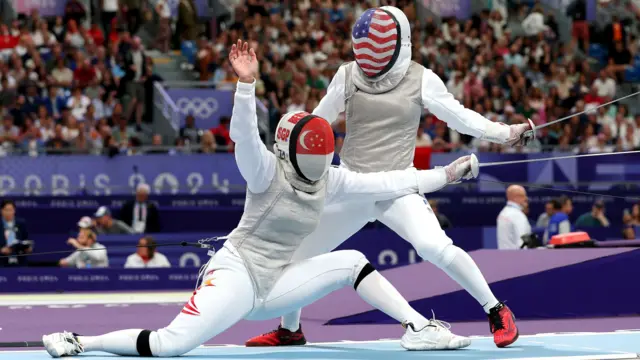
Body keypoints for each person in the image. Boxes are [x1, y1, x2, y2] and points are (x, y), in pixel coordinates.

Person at [42, 40, 479, 358]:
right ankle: (80, 341)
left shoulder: (331, 179)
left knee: (352, 263)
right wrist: (245, 86)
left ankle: (419, 327)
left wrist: (447, 173)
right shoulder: (265, 172)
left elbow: (389, 182)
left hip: (277, 286)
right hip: (237, 276)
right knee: (168, 345)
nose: (322, 159)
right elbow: (244, 137)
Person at [247, 6, 532, 349]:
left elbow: (460, 117)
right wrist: (290, 149)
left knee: (434, 246)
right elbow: (318, 122)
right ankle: (290, 329)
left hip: (399, 186)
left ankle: (496, 310)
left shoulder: (421, 78)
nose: (371, 63)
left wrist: (506, 133)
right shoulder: (347, 75)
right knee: (297, 252)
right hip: (352, 184)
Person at [497, 185, 532, 250]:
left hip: (504, 257)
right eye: (523, 196)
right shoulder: (517, 215)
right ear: (516, 197)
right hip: (517, 258)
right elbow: (522, 243)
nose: (526, 198)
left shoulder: (503, 213)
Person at [0, 200, 31, 266]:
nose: (8, 212)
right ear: (1, 211)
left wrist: (28, 248)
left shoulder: (21, 223)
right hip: (1, 262)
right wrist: (1, 250)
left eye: (11, 210)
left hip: (20, 261)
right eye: (6, 210)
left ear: (14, 210)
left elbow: (26, 240)